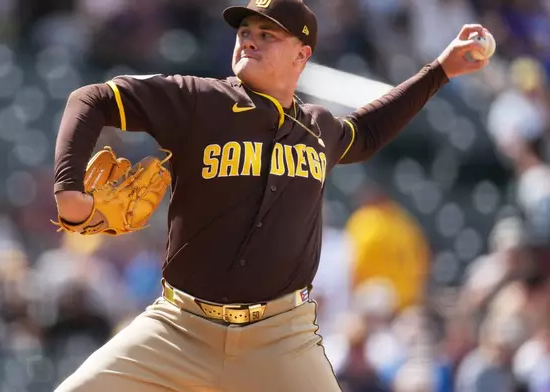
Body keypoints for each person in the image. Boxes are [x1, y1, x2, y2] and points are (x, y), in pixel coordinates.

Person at [51, 0, 491, 390]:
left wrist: (442, 70)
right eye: (244, 32)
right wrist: (68, 190)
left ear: (302, 56)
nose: (249, 42)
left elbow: (370, 130)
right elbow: (90, 98)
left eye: (267, 35)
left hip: (281, 337)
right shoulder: (200, 100)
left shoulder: (319, 128)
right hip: (179, 327)